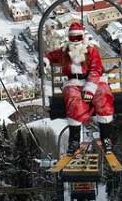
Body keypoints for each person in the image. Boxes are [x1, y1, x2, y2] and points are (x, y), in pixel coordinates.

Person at [45, 22, 115, 155]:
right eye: (73, 38)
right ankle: (74, 140)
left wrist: (90, 88)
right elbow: (50, 56)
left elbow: (96, 68)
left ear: (83, 37)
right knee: (73, 98)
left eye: (78, 38)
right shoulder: (64, 51)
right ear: (69, 38)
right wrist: (45, 62)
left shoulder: (91, 50)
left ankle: (106, 137)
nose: (76, 41)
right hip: (74, 82)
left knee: (103, 94)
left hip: (92, 81)